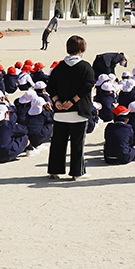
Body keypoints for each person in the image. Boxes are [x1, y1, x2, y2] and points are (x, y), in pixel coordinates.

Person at [46, 35, 96, 181]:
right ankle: (77, 172)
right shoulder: (86, 67)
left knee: (58, 142)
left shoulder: (59, 67)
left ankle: (54, 171)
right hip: (78, 111)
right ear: (82, 49)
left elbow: (50, 86)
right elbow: (88, 85)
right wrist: (72, 101)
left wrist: (57, 101)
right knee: (77, 142)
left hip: (60, 111)